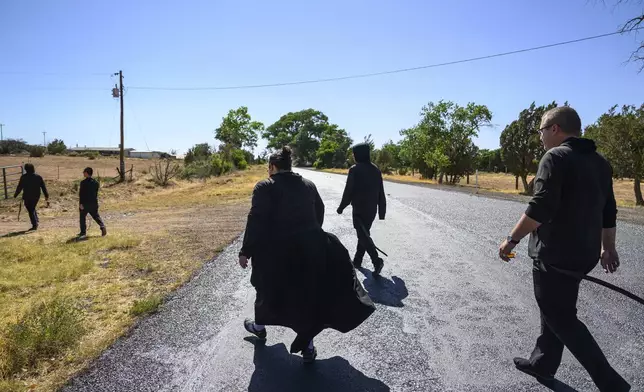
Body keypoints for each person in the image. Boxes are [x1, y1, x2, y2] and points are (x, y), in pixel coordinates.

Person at [498, 106, 630, 391]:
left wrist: (512, 239)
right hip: (585, 254)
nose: (541, 137)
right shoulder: (600, 162)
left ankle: (611, 384)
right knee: (557, 308)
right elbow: (609, 211)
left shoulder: (555, 157)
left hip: (555, 255)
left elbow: (540, 207)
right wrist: (608, 249)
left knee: (561, 317)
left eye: (542, 130)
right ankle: (543, 363)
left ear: (555, 129)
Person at [239, 146, 375, 363]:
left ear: (272, 167)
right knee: (304, 296)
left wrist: (246, 250)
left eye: (268, 167)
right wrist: (309, 236)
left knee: (265, 287)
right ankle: (308, 347)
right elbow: (319, 213)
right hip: (309, 249)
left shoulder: (265, 186)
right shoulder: (308, 185)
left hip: (275, 252)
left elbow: (256, 219)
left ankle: (260, 327)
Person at [337, 142, 386, 275]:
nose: (353, 156)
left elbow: (348, 191)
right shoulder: (376, 169)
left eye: (354, 154)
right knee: (364, 234)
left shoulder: (355, 169)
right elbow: (381, 192)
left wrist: (341, 207)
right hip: (371, 210)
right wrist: (382, 211)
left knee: (362, 235)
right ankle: (357, 260)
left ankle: (376, 260)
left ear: (358, 154)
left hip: (359, 209)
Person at [14, 163, 49, 231]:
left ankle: (34, 224)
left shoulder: (23, 177)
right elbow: (43, 187)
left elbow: (19, 187)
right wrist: (46, 195)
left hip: (27, 195)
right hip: (36, 195)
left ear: (26, 169)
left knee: (30, 209)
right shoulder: (38, 177)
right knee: (32, 208)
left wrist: (16, 194)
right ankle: (36, 220)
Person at [78, 167, 107, 238]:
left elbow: (81, 194)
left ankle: (83, 233)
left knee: (82, 217)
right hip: (94, 203)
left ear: (87, 173)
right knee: (96, 216)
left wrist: (81, 204)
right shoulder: (96, 183)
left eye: (84, 172)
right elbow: (96, 193)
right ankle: (102, 226)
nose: (83, 173)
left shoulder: (83, 183)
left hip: (85, 204)